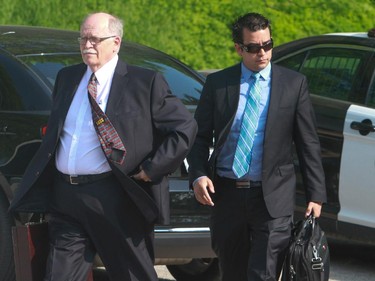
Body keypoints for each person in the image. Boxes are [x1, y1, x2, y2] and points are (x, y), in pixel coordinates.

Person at [9, 12, 197, 281]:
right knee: (59, 275)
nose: (87, 45)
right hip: (66, 197)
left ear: (116, 42)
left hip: (115, 196)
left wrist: (152, 169)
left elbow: (184, 128)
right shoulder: (68, 77)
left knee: (133, 274)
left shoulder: (144, 82)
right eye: (83, 38)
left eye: (95, 39)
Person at [187, 12, 326, 281]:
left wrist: (316, 194)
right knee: (233, 273)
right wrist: (199, 175)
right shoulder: (219, 84)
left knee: (263, 273)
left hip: (272, 197)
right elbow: (199, 136)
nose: (262, 53)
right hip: (226, 194)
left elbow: (308, 141)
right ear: (239, 48)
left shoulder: (293, 85)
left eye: (267, 45)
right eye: (253, 48)